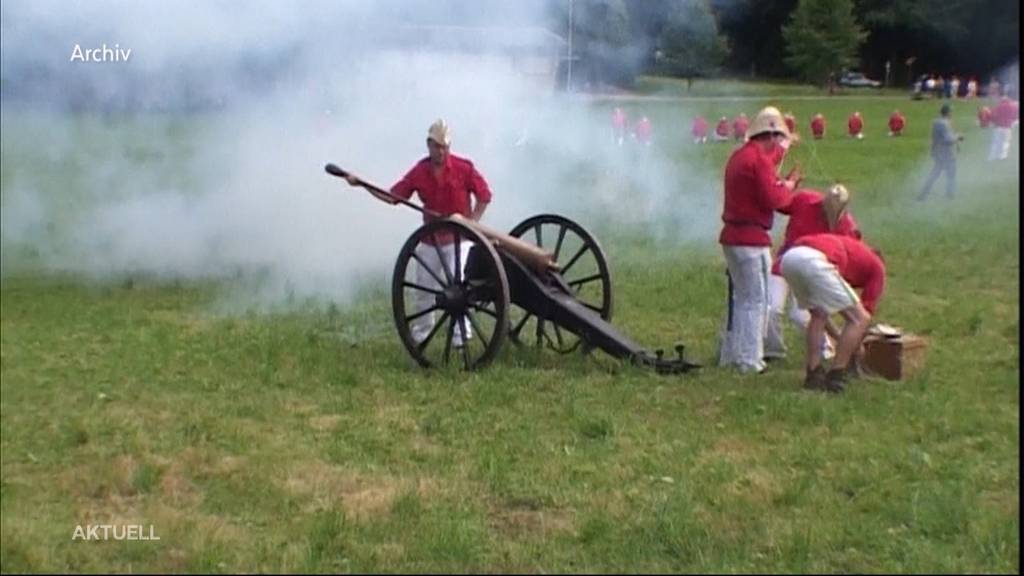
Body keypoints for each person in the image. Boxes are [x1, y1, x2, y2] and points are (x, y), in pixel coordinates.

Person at [348, 119, 492, 346]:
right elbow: (393, 197)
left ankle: (460, 335)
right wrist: (364, 185)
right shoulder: (420, 171)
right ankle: (422, 333)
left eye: (445, 147)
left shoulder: (464, 168)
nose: (441, 152)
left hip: (458, 239)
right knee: (423, 290)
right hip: (430, 239)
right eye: (437, 146)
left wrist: (471, 222)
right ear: (429, 145)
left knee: (460, 286)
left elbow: (484, 195)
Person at [718, 106, 800, 374]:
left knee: (742, 299)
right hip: (751, 240)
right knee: (757, 300)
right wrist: (788, 188)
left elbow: (767, 167)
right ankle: (751, 359)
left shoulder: (740, 156)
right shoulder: (758, 160)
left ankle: (734, 354)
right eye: (777, 139)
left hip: (733, 237)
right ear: (770, 136)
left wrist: (784, 150)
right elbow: (773, 199)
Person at [766, 185, 862, 362]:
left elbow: (850, 252)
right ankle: (773, 350)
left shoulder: (847, 226)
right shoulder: (804, 200)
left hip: (813, 270)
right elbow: (779, 204)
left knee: (802, 315)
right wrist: (781, 186)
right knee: (771, 307)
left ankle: (825, 349)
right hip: (784, 263)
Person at [780, 233, 885, 393]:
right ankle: (837, 376)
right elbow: (865, 315)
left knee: (819, 314)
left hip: (789, 259)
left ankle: (814, 374)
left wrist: (838, 337)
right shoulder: (877, 267)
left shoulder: (852, 253)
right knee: (859, 319)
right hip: (813, 261)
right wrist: (856, 344)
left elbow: (822, 312)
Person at [917, 104, 963, 200]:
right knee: (947, 174)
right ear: (948, 112)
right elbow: (948, 139)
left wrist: (956, 140)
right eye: (951, 111)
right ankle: (949, 196)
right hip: (945, 154)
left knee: (937, 174)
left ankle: (924, 194)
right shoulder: (943, 124)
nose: (952, 113)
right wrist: (958, 137)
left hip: (939, 152)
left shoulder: (939, 122)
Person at [989, 95, 1020, 161]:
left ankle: (992, 156)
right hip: (1007, 127)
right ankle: (1002, 156)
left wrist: (993, 122)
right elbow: (1015, 116)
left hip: (998, 127)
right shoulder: (1013, 107)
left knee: (996, 142)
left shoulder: (998, 106)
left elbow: (993, 116)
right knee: (1005, 142)